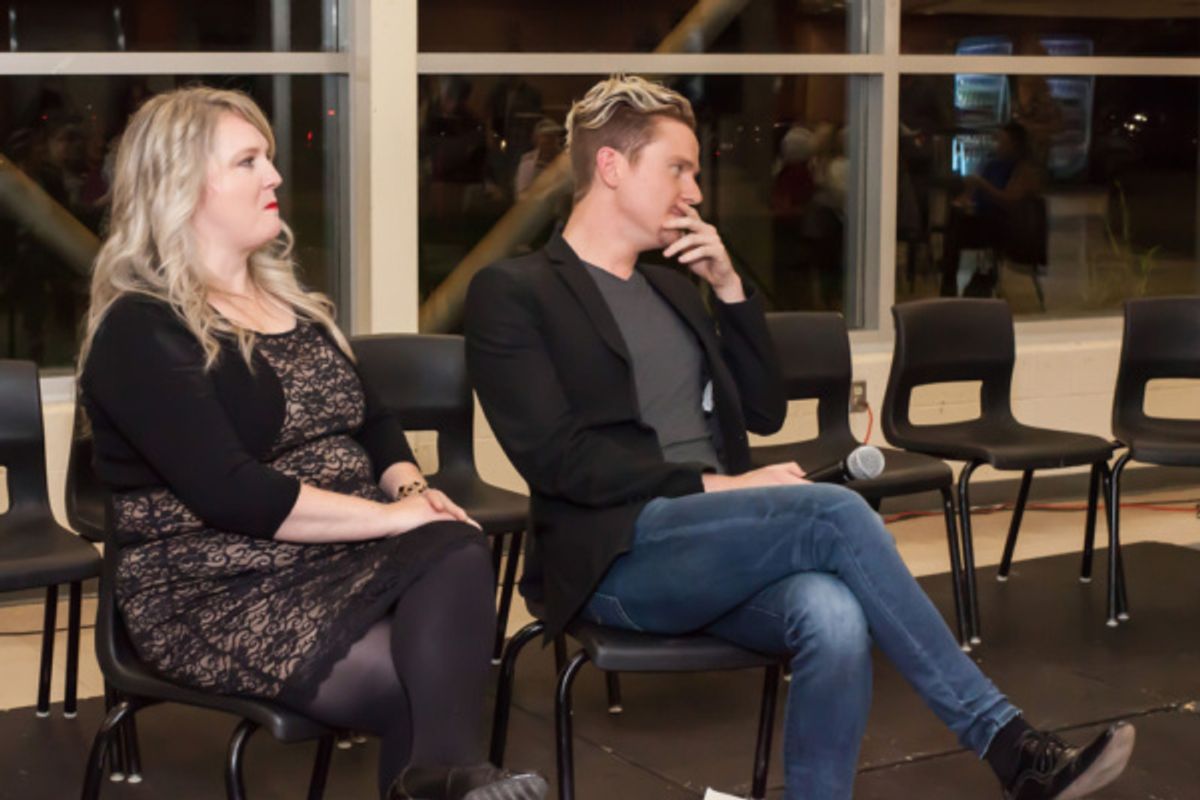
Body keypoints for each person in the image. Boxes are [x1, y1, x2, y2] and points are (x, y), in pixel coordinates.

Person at [464, 75, 1134, 800]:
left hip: (714, 546)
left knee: (835, 613)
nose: (694, 191)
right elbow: (555, 459)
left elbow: (761, 408)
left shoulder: (669, 288)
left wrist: (728, 290)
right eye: (678, 169)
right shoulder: (515, 293)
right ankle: (1011, 749)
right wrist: (720, 486)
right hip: (617, 556)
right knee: (837, 511)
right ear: (612, 167)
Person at [78, 87, 547, 800]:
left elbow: (375, 422)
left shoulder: (294, 307)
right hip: (216, 585)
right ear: (180, 187)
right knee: (423, 666)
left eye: (267, 157)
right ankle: (446, 781)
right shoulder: (141, 330)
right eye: (248, 161)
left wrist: (411, 491)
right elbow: (230, 492)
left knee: (450, 550)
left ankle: (439, 782)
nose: (273, 176)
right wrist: (396, 519)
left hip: (337, 557)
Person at [940, 121, 1044, 297]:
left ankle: (950, 278)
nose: (998, 146)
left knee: (957, 232)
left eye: (1003, 142)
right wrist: (964, 201)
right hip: (989, 222)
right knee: (956, 219)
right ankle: (949, 276)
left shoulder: (1024, 169)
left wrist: (982, 185)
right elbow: (970, 196)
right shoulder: (992, 165)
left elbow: (1009, 201)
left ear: (1016, 145)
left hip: (1010, 228)